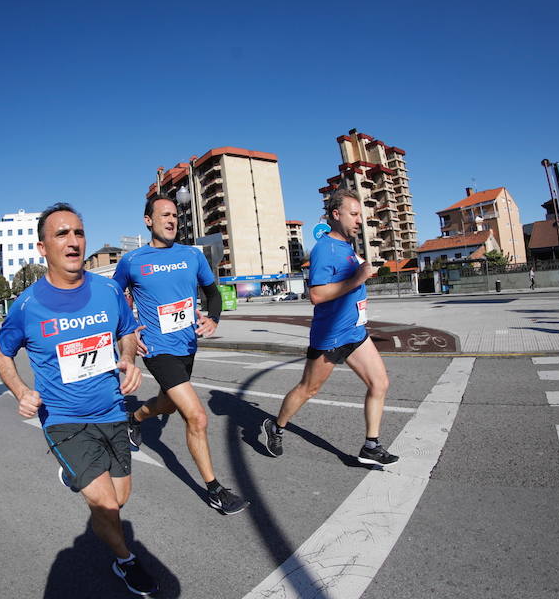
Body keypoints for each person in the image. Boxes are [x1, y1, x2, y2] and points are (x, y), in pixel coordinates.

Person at [0, 203, 157, 596]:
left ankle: (73, 474)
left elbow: (128, 330)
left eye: (78, 233)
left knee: (121, 497)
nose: (72, 241)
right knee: (106, 506)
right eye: (61, 234)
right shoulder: (28, 305)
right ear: (42, 247)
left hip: (113, 410)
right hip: (63, 418)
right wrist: (21, 391)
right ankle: (126, 561)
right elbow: (3, 352)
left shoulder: (108, 290)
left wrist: (128, 359)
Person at [113, 195, 249, 516]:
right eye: (164, 215)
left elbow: (212, 292)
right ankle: (215, 490)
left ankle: (135, 418)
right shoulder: (132, 261)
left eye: (174, 215)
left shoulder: (191, 255)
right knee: (197, 417)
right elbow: (113, 296)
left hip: (188, 345)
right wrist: (129, 328)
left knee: (171, 404)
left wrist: (213, 317)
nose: (172, 220)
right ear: (149, 221)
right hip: (157, 349)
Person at [262, 188, 399, 467]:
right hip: (331, 336)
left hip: (355, 332)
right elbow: (317, 295)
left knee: (380, 382)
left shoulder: (348, 246)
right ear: (336, 215)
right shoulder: (325, 248)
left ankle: (371, 445)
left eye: (361, 214)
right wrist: (358, 279)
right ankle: (276, 427)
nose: (360, 220)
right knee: (308, 389)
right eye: (354, 214)